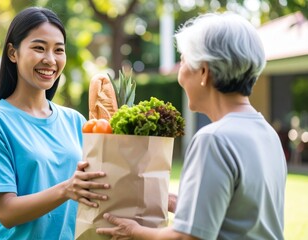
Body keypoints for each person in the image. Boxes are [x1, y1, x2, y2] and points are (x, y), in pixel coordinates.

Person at [96, 12, 287, 240]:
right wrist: (180, 203)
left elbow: (187, 238)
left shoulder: (213, 139)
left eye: (184, 61)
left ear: (204, 71)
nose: (180, 74)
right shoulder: (267, 133)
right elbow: (242, 216)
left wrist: (134, 231)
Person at [0, 7, 109, 239]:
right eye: (39, 48)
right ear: (13, 53)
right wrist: (67, 189)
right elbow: (6, 211)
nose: (50, 60)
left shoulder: (76, 121)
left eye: (59, 50)